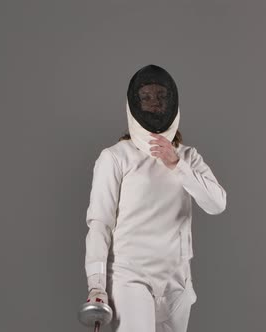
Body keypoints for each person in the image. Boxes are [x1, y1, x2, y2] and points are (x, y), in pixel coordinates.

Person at [83, 64, 227, 332]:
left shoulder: (188, 157)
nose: (154, 103)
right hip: (130, 277)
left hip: (177, 281)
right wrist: (96, 285)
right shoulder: (115, 157)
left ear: (171, 102)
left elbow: (217, 203)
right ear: (135, 104)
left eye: (161, 96)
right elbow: (100, 223)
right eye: (146, 97)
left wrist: (177, 164)